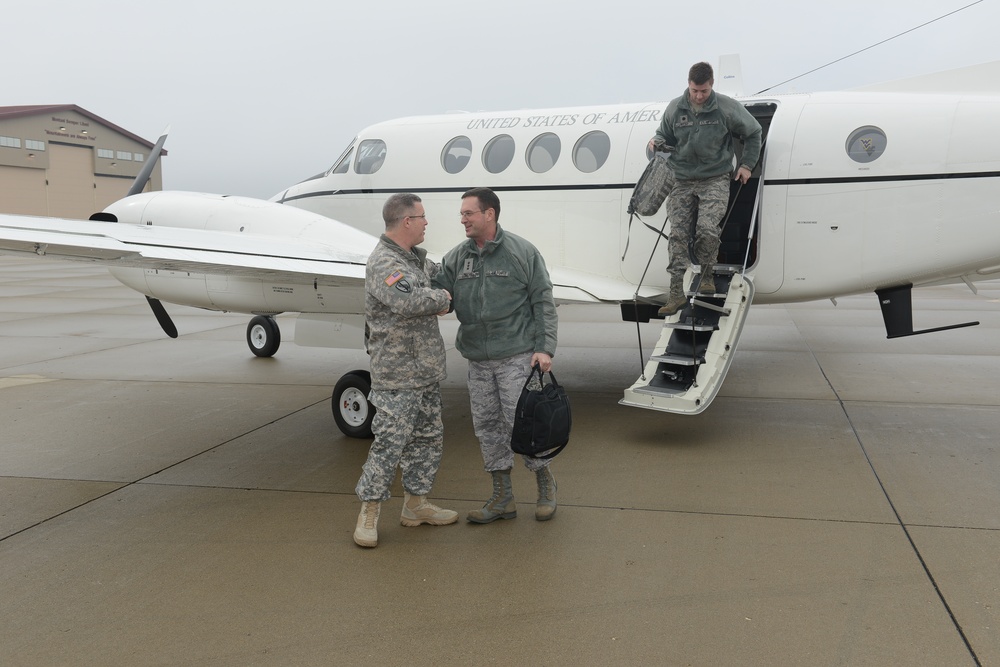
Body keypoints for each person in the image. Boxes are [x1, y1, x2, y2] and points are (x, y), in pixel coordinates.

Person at [434, 187, 560, 523]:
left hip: (516, 358)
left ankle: (545, 486)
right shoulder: (458, 257)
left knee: (527, 426)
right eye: (462, 214)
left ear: (489, 214)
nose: (463, 219)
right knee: (488, 428)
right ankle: (503, 497)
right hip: (478, 359)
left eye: (468, 213)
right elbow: (439, 289)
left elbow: (542, 302)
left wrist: (544, 348)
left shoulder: (522, 252)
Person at [353, 193, 458, 548]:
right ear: (406, 221)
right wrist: (443, 299)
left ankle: (415, 505)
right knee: (389, 444)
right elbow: (410, 300)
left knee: (428, 439)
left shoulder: (413, 260)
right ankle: (368, 512)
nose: (427, 222)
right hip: (397, 374)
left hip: (424, 369)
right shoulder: (384, 262)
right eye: (423, 217)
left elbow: (433, 281)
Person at [649, 61, 762, 316]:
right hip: (682, 179)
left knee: (707, 229)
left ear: (712, 85)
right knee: (677, 235)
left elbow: (754, 131)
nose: (699, 96)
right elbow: (662, 135)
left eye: (703, 91)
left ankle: (707, 273)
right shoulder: (675, 109)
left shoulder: (726, 107)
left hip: (715, 178)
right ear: (688, 85)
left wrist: (746, 165)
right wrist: (655, 142)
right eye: (694, 91)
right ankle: (676, 293)